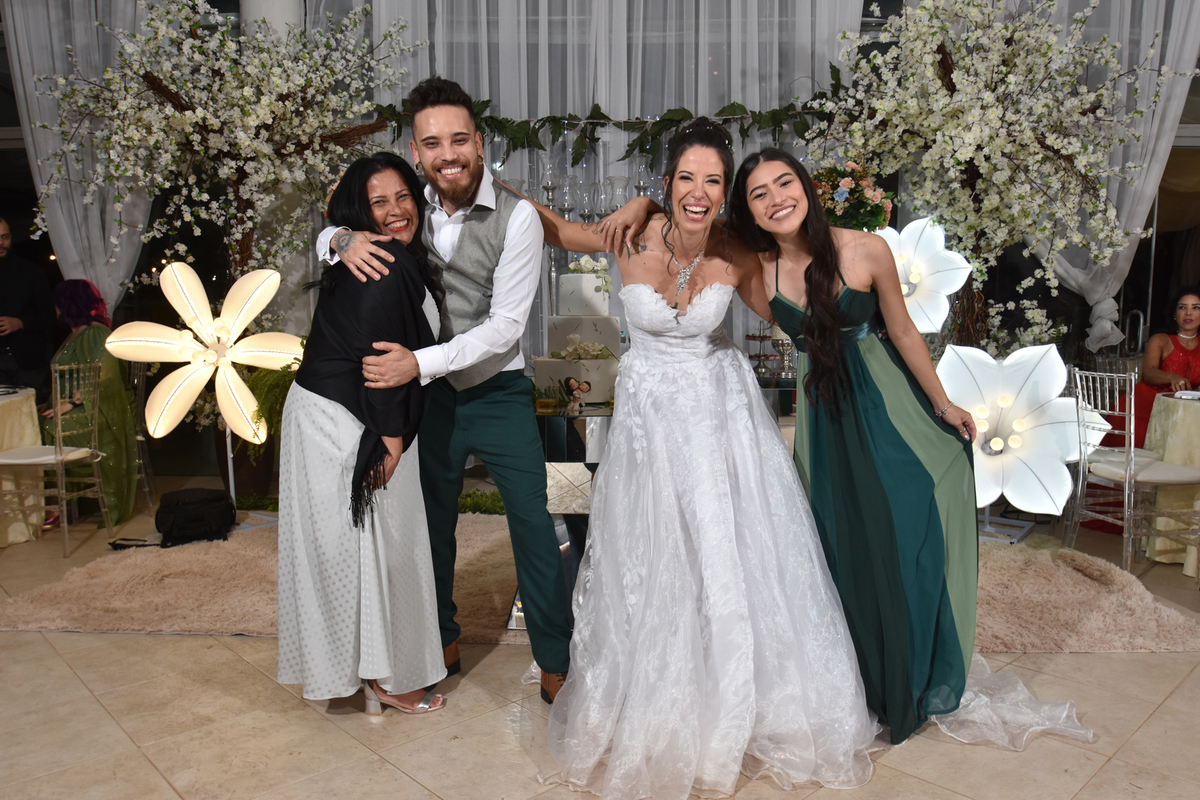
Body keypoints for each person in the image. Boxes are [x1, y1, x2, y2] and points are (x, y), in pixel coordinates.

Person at [526, 120, 877, 797]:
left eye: (713, 180)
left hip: (718, 419)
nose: (699, 191)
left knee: (727, 559)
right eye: (686, 177)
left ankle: (737, 708)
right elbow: (557, 231)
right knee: (654, 555)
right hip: (649, 425)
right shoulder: (630, 234)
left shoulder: (738, 252)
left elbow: (794, 314)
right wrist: (489, 189)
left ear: (725, 192)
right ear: (666, 184)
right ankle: (658, 693)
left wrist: (867, 333)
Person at [315, 77, 574, 704]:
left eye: (459, 140)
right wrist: (340, 239)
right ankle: (439, 644)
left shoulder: (518, 218)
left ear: (479, 143)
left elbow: (506, 326)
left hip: (497, 390)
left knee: (533, 523)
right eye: (432, 144)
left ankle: (555, 657)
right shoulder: (404, 205)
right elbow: (329, 231)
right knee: (427, 528)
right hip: (428, 400)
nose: (447, 154)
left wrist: (418, 363)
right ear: (416, 149)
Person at [727, 148, 979, 745]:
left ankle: (910, 672)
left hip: (887, 407)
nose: (776, 199)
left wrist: (944, 405)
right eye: (759, 194)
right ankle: (859, 683)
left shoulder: (867, 249)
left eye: (784, 183)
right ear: (750, 211)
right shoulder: (757, 272)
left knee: (903, 529)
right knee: (837, 545)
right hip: (824, 420)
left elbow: (903, 330)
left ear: (806, 186)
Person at [277, 152, 447, 715]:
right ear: (360, 212)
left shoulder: (388, 255)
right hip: (341, 421)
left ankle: (367, 670)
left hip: (348, 412)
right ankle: (385, 677)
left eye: (403, 196)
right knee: (366, 546)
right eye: (380, 202)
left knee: (369, 546)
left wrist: (338, 236)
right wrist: (392, 442)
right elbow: (381, 360)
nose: (397, 210)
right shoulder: (381, 263)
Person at [38, 280, 138, 526]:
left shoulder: (96, 333)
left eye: (58, 303)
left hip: (101, 410)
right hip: (83, 407)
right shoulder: (74, 334)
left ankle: (58, 503)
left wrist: (71, 404)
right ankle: (59, 501)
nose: (55, 308)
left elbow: (103, 375)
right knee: (36, 422)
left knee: (48, 428)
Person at [1127, 286, 1200, 448]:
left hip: (1184, 412)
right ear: (1174, 314)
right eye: (1182, 307)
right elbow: (1148, 372)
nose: (1188, 313)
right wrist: (1171, 376)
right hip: (1147, 408)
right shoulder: (1160, 339)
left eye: (1196, 308)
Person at [0, 217, 54, 403]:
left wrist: (20, 323)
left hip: (28, 360)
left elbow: (49, 316)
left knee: (28, 412)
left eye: (5, 237)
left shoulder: (32, 272)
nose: (1, 243)